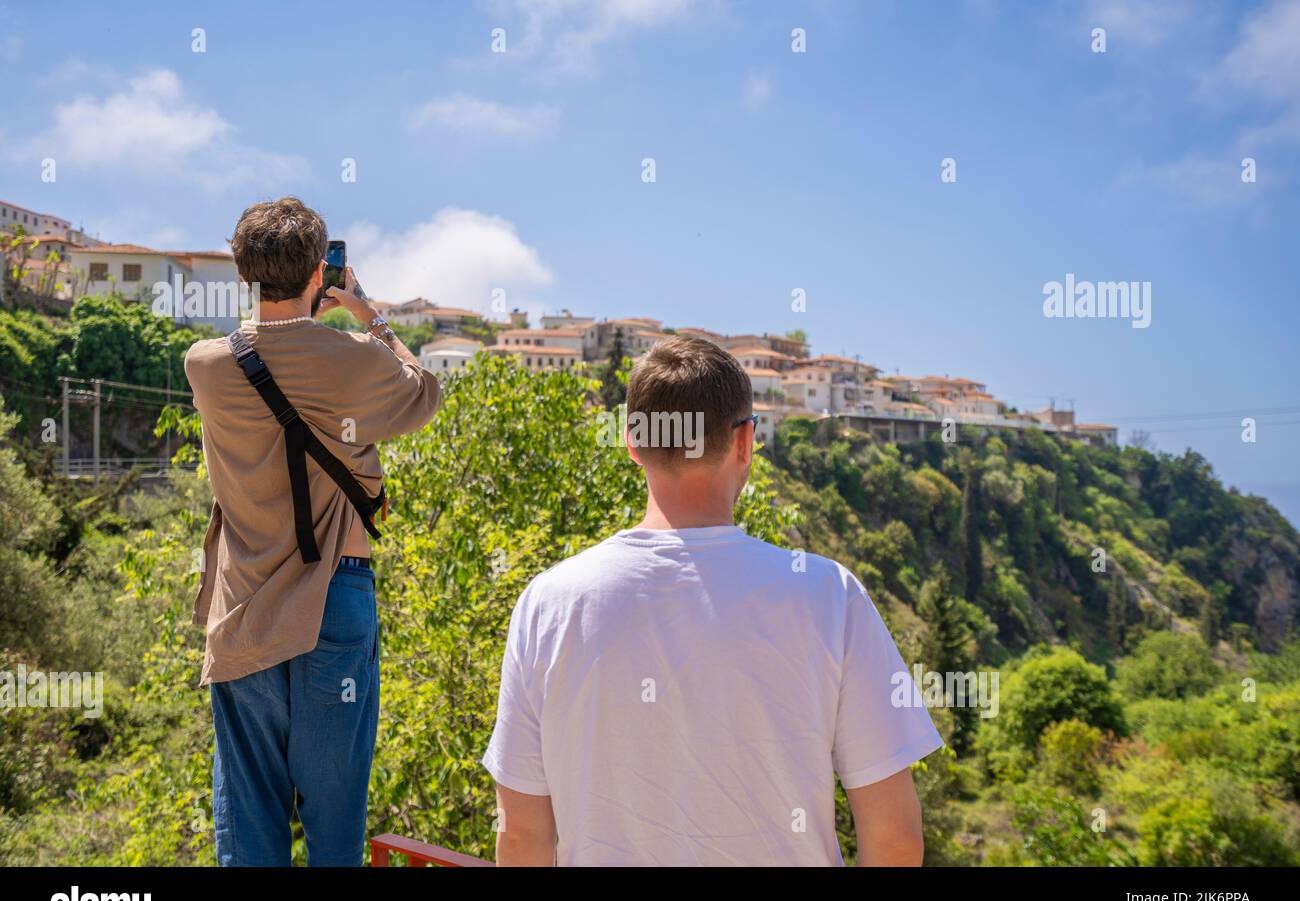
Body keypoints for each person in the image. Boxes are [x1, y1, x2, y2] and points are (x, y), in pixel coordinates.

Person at [483, 336, 943, 866]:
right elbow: (896, 839)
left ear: (632, 443)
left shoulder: (550, 603)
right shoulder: (829, 596)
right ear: (745, 441)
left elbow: (521, 838)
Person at [184, 197, 441, 866]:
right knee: (334, 832)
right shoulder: (350, 355)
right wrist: (367, 313)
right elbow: (425, 394)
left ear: (245, 272)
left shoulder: (206, 366)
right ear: (321, 273)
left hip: (244, 612)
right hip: (334, 598)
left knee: (248, 828)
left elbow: (264, 347)